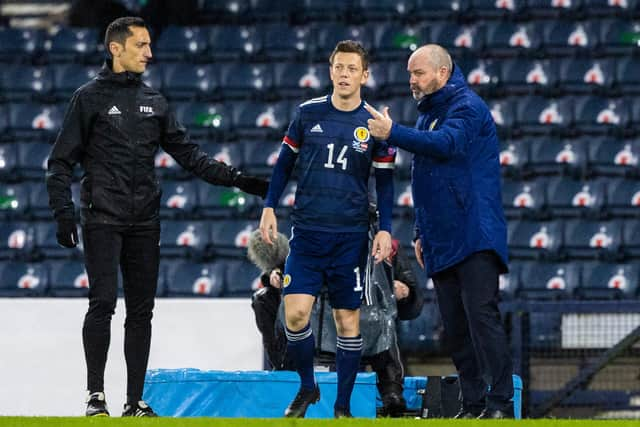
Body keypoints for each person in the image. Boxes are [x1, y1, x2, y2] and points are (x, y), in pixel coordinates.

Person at [46, 16, 268, 418]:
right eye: (141, 45)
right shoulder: (88, 98)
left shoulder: (155, 101)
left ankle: (134, 401)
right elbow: (59, 162)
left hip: (145, 221)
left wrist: (239, 180)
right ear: (116, 48)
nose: (150, 53)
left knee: (142, 311)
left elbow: (191, 156)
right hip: (102, 218)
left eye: (149, 45)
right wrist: (64, 213)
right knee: (103, 303)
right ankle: (96, 397)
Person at [365, 44, 514, 419]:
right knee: (456, 327)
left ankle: (501, 403)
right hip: (441, 237)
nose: (411, 81)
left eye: (418, 73)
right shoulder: (428, 115)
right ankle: (474, 402)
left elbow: (447, 145)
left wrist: (392, 132)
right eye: (409, 74)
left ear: (442, 73)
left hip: (475, 232)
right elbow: (424, 179)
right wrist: (420, 231)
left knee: (482, 317)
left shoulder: (467, 106)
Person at [259, 40, 396, 418]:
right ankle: (307, 388)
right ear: (330, 70)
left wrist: (385, 228)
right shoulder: (307, 114)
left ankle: (342, 407)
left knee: (346, 321)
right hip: (307, 233)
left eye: (353, 68)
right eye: (339, 67)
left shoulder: (375, 125)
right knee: (295, 315)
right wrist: (269, 205)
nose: (345, 74)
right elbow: (284, 165)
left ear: (364, 75)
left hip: (350, 238)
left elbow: (385, 182)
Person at [248, 217, 423, 417]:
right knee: (268, 300)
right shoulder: (311, 240)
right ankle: (284, 371)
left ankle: (390, 390)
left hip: (366, 320)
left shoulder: (388, 249)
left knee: (383, 321)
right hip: (320, 320)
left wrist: (405, 292)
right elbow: (286, 266)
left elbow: (414, 303)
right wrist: (273, 274)